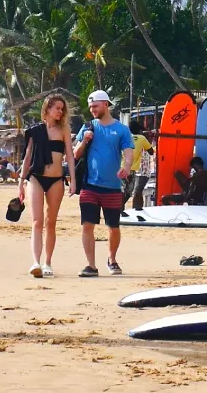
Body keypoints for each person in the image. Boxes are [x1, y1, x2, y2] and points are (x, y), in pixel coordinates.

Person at [73, 90, 134, 277]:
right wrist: (84, 140)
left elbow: (129, 152)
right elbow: (76, 154)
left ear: (106, 105)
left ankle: (112, 259)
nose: (92, 110)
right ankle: (91, 265)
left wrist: (127, 167)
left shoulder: (122, 130)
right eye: (90, 107)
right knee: (87, 225)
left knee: (113, 226)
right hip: (90, 185)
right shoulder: (88, 127)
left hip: (113, 187)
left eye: (95, 106)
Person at [18, 95, 76, 278]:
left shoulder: (64, 130)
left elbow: (70, 156)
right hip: (36, 177)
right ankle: (35, 262)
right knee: (37, 221)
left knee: (50, 222)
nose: (60, 111)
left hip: (56, 179)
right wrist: (20, 182)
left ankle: (47, 262)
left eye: (62, 108)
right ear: (48, 109)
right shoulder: (36, 131)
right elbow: (27, 157)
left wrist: (73, 180)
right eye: (57, 108)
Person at [123, 120, 154, 209]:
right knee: (132, 191)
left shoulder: (135, 138)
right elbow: (151, 151)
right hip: (135, 168)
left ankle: (136, 210)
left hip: (140, 169)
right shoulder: (140, 138)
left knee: (136, 191)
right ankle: (131, 209)